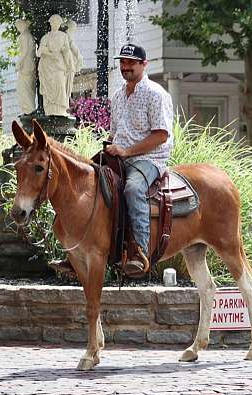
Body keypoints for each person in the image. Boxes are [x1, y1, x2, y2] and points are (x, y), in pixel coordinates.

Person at [106, 43, 174, 275]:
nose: (125, 67)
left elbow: (161, 135)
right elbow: (115, 133)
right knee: (87, 182)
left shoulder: (156, 94)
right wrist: (111, 148)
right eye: (122, 62)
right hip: (121, 157)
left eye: (131, 63)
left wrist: (126, 152)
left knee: (133, 189)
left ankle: (140, 253)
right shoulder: (117, 96)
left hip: (149, 159)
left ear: (143, 64)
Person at [37, 14, 74, 116]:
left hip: (59, 65)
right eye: (53, 22)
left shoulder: (64, 36)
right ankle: (50, 111)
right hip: (47, 67)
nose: (55, 24)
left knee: (60, 84)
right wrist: (49, 53)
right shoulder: (46, 37)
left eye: (57, 22)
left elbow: (67, 51)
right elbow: (39, 52)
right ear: (50, 23)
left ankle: (61, 110)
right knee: (48, 89)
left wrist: (69, 63)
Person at [14, 19, 37, 115]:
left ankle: (28, 109)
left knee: (23, 87)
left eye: (19, 26)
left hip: (25, 65)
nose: (18, 28)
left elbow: (25, 51)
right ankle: (30, 108)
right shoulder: (30, 36)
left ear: (23, 25)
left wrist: (19, 62)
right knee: (29, 87)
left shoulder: (23, 36)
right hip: (31, 63)